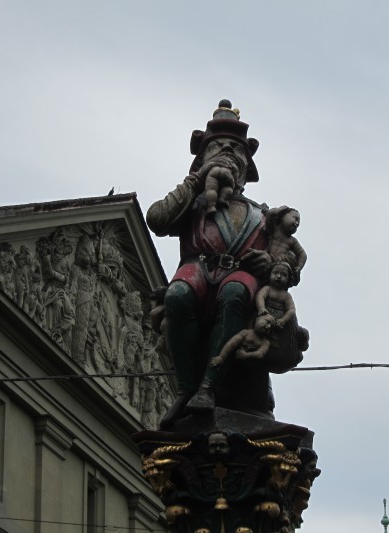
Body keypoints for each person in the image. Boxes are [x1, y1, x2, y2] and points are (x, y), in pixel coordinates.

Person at [146, 100, 277, 427]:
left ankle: (208, 386)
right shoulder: (193, 203)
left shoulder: (262, 214)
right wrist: (195, 181)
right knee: (178, 295)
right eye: (217, 148)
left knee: (235, 293)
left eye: (235, 150)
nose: (227, 154)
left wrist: (267, 263)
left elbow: (283, 266)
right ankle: (185, 389)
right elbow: (157, 219)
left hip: (240, 273)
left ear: (246, 167)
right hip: (198, 265)